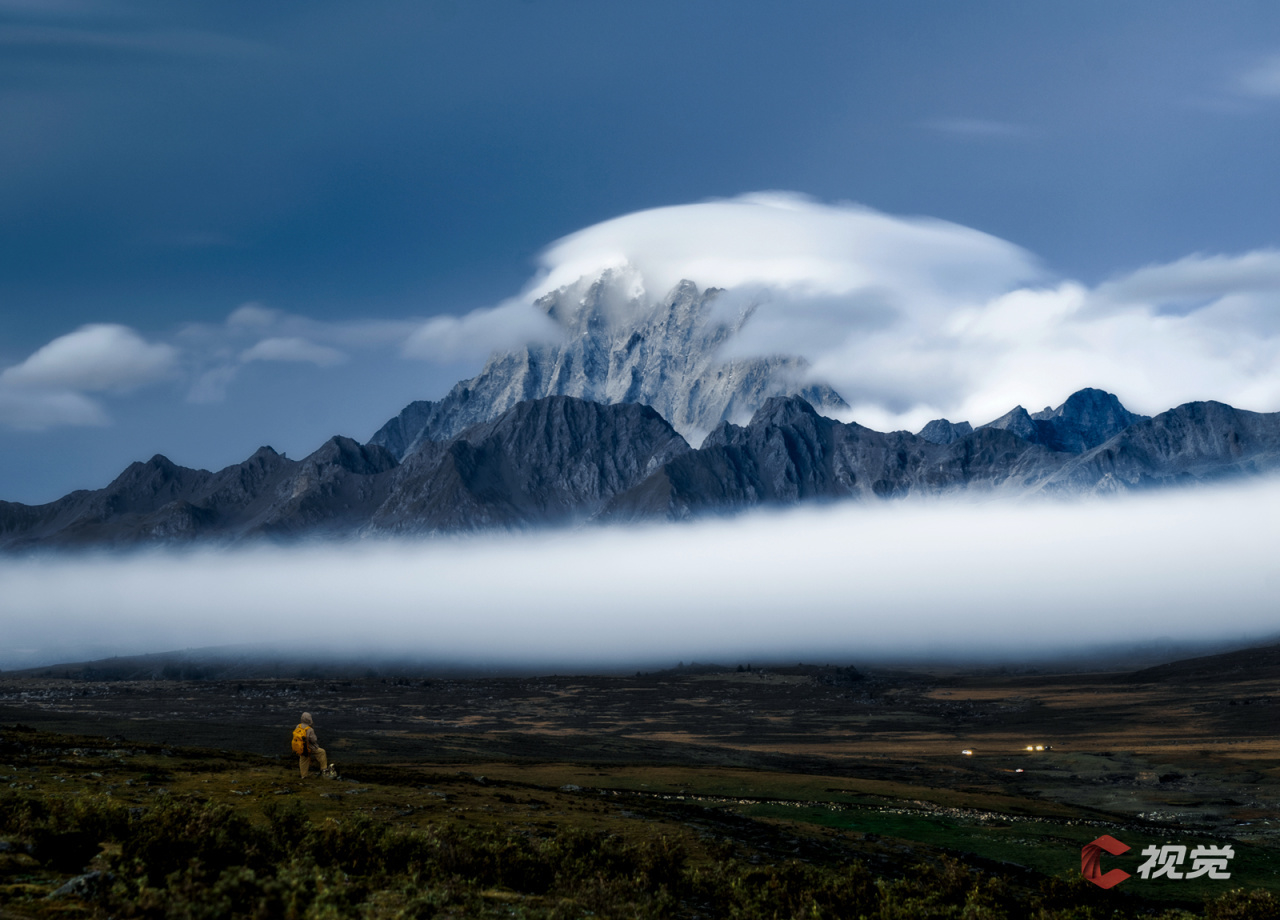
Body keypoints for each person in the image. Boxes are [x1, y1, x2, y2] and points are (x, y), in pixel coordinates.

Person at [292, 712, 333, 779]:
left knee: (303, 761)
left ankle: (303, 776)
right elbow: (314, 740)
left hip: (301, 748)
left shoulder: (298, 726)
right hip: (310, 747)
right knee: (321, 752)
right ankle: (324, 769)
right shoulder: (310, 729)